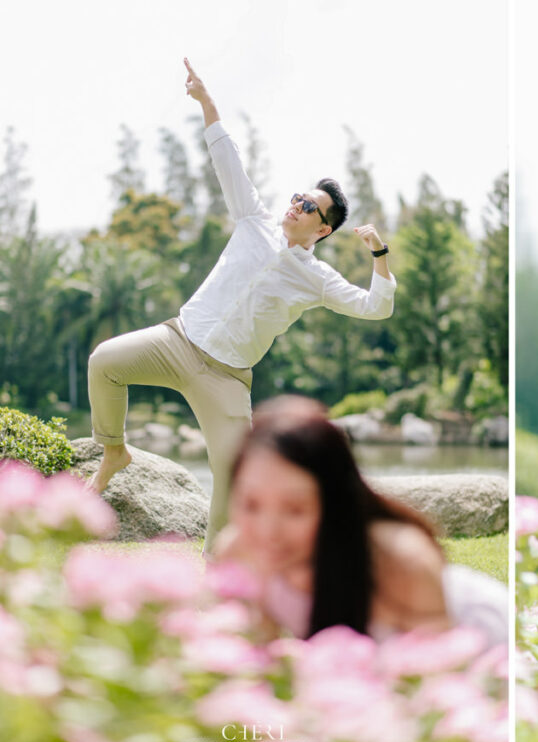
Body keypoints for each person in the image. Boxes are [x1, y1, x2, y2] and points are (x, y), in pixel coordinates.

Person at [86, 59, 397, 554]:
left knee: (233, 474)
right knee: (103, 361)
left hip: (225, 378)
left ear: (322, 230)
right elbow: (226, 159)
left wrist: (379, 255)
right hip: (177, 340)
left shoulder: (316, 278)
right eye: (298, 196)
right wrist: (207, 102)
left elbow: (375, 307)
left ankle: (216, 574)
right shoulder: (253, 218)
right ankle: (115, 452)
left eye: (310, 207)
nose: (297, 204)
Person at [215, 395, 508, 646]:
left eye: (295, 510)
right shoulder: (239, 553)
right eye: (251, 505)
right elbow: (260, 662)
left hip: (480, 647)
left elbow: (439, 679)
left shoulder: (400, 558)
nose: (269, 531)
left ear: (334, 499)